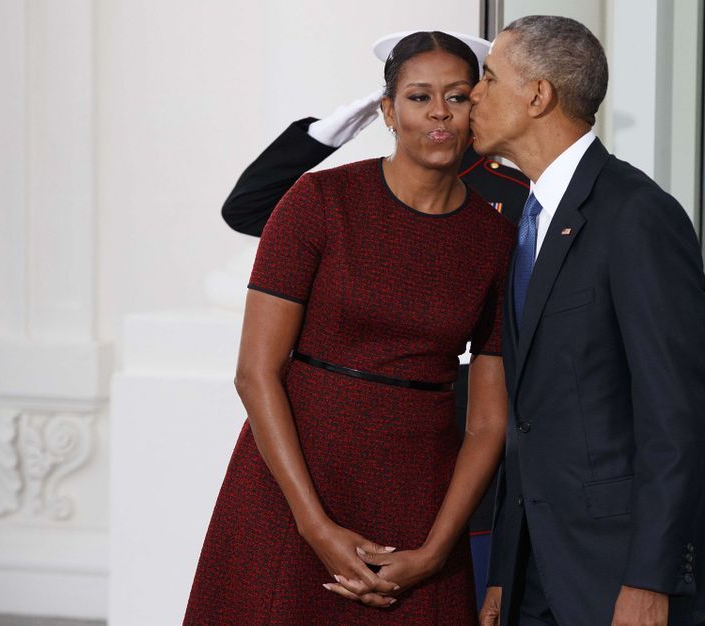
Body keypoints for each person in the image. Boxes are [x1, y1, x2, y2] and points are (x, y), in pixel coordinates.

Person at [184, 31, 513, 624]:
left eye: (458, 96)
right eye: (418, 97)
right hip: (294, 484)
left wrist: (438, 550)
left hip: (420, 489)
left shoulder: (497, 236)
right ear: (387, 110)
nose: (439, 112)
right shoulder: (319, 199)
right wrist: (315, 527)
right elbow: (255, 373)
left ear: (478, 106)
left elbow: (490, 418)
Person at [471, 16, 705, 626]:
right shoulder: (527, 215)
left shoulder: (637, 215)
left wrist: (650, 579)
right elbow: (531, 420)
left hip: (620, 577)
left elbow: (677, 415)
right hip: (535, 573)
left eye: (487, 79)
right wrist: (503, 578)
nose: (473, 96)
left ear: (538, 96)